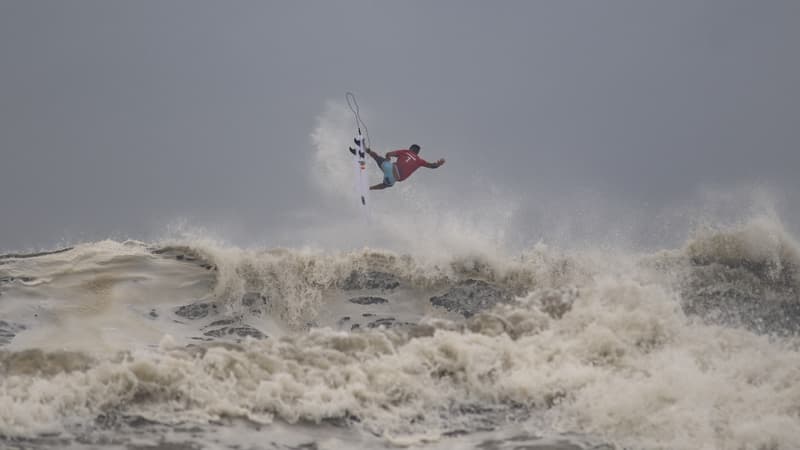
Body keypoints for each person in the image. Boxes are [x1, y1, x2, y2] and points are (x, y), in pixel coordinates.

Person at [364, 144, 445, 190]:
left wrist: (387, 158)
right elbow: (432, 166)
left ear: (410, 148)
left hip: (390, 168)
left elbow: (388, 154)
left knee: (377, 157)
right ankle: (369, 188)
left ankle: (366, 150)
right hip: (396, 178)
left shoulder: (406, 151)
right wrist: (438, 164)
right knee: (386, 185)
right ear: (417, 153)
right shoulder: (420, 161)